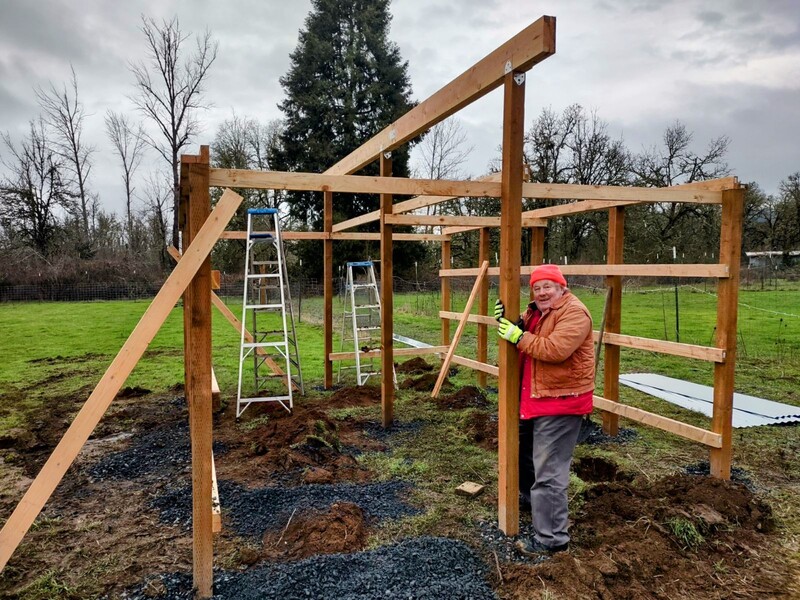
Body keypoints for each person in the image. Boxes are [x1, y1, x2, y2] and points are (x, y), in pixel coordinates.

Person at [494, 263, 594, 556]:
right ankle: (529, 499)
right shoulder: (537, 313)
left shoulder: (575, 313)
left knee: (549, 471)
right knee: (521, 451)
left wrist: (518, 336)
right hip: (536, 397)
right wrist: (510, 322)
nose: (541, 292)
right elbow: (524, 330)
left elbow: (555, 350)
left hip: (561, 401)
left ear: (562, 288)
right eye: (536, 288)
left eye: (547, 286)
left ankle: (552, 539)